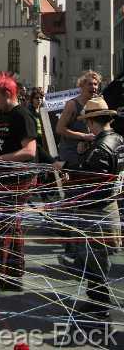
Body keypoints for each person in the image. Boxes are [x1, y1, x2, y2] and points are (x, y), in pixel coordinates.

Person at [58, 97, 124, 320]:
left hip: (97, 209)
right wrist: (82, 153)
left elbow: (91, 181)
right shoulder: (117, 139)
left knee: (95, 260)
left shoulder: (101, 147)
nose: (87, 126)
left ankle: (99, 305)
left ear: (93, 122)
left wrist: (67, 167)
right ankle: (96, 301)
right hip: (109, 205)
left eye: (88, 122)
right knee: (96, 259)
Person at [0, 72, 37, 292]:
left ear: (8, 94)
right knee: (4, 225)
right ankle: (5, 275)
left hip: (19, 177)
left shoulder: (22, 116)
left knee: (5, 225)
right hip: (3, 176)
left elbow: (29, 151)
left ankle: (6, 275)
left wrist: (1, 160)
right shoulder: (0, 116)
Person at [56, 71, 100, 260]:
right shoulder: (72, 105)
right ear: (81, 86)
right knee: (73, 199)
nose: (93, 88)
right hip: (71, 155)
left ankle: (80, 246)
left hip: (87, 156)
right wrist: (82, 136)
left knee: (84, 201)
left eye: (96, 84)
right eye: (90, 84)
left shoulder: (97, 104)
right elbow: (60, 129)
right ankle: (70, 248)